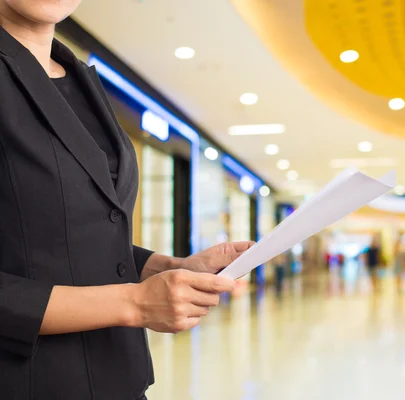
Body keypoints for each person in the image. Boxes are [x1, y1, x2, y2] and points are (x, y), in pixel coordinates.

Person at [0, 2, 253, 398]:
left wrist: (166, 268)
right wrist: (134, 303)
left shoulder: (81, 79)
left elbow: (60, 235)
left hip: (120, 379)